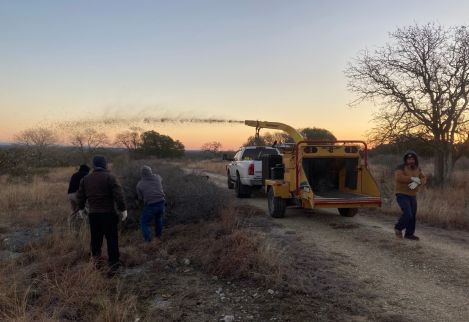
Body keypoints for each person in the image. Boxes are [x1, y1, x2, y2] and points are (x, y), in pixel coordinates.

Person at [76, 155, 127, 274]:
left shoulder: (85, 179)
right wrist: (123, 209)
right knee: (112, 239)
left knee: (95, 240)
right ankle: (114, 265)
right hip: (108, 214)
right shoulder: (110, 177)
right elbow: (118, 195)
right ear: (104, 164)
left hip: (93, 215)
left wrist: (81, 209)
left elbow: (80, 196)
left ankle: (97, 263)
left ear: (94, 165)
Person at [394, 151, 426, 240]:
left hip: (413, 195)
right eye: (409, 159)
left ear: (415, 160)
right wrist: (412, 178)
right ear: (406, 160)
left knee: (413, 215)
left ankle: (409, 234)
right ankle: (398, 228)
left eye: (412, 159)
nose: (411, 161)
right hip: (401, 194)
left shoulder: (417, 168)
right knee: (408, 214)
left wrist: (418, 182)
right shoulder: (400, 168)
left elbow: (424, 178)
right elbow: (399, 178)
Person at [136, 165, 166, 243]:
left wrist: (139, 205)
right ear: (151, 172)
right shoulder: (158, 178)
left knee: (144, 222)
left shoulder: (140, 184)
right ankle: (158, 237)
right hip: (162, 203)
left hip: (151, 205)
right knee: (158, 219)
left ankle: (148, 241)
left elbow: (140, 198)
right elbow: (160, 180)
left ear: (142, 174)